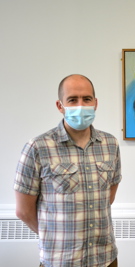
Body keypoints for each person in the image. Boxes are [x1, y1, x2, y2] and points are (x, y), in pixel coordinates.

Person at [14, 74, 121, 267]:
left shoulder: (110, 144)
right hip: (60, 261)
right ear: (60, 105)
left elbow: (108, 197)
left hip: (105, 258)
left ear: (95, 103)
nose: (80, 105)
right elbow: (23, 211)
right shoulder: (38, 147)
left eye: (86, 99)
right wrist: (55, 236)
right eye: (72, 99)